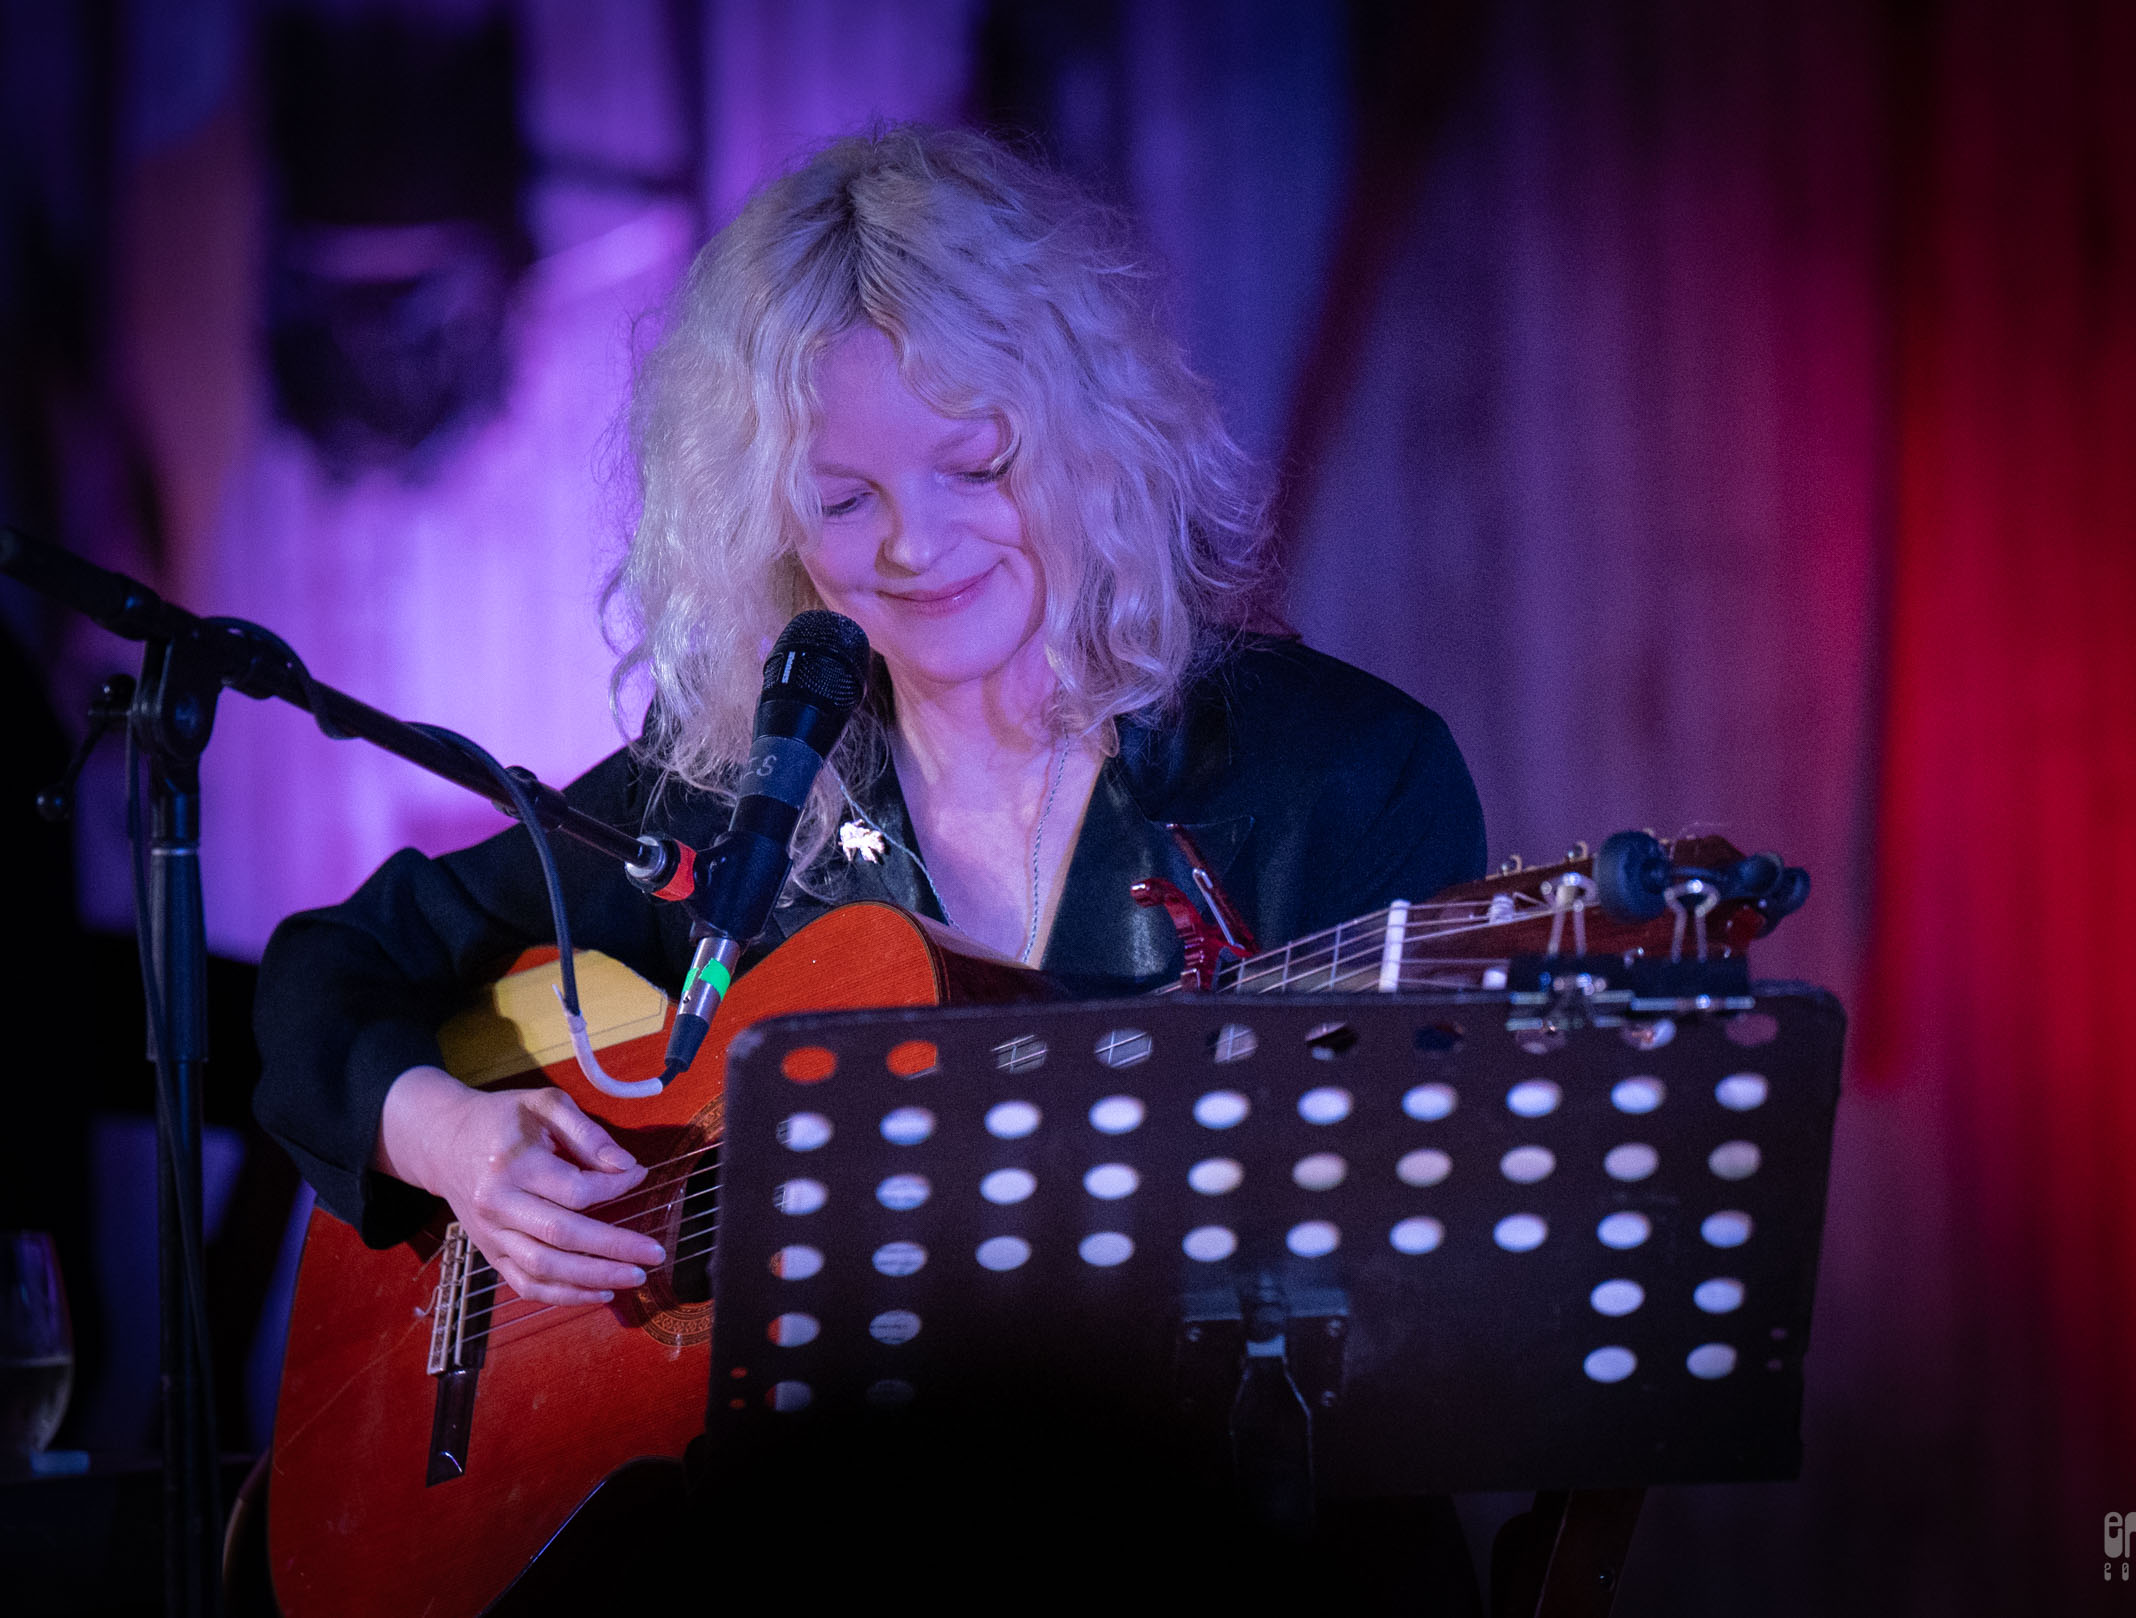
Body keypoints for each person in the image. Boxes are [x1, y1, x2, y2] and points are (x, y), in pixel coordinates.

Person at [253, 125, 1487, 1611]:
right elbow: (328, 972)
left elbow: (1400, 1315)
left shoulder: (1339, 780)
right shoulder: (736, 796)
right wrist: (457, 1140)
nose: (917, 545)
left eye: (975, 464)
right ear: (770, 523)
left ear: (1091, 439)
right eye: (844, 500)